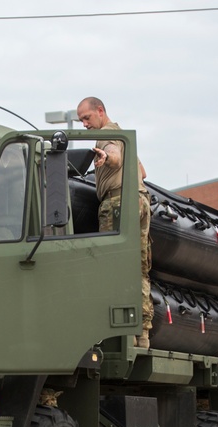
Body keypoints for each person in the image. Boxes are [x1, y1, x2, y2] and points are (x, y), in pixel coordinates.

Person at [76, 96, 153, 348]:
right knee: (139, 269)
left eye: (86, 118)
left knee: (111, 266)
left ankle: (121, 333)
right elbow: (142, 172)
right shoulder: (123, 134)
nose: (84, 124)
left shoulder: (106, 134)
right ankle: (142, 335)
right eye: (81, 120)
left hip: (118, 202)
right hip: (139, 201)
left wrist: (106, 159)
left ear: (100, 111)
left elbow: (115, 157)